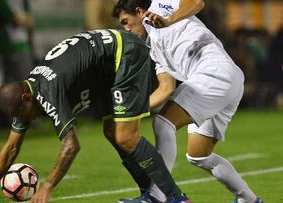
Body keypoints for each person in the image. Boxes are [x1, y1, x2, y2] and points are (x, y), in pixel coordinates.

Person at [0, 29, 190, 203]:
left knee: (125, 136)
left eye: (22, 113)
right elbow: (12, 147)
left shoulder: (47, 91)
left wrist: (48, 185)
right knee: (111, 132)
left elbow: (71, 145)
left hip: (124, 53)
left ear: (25, 97)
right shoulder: (28, 94)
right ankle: (152, 197)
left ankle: (176, 198)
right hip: (104, 69)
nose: (28, 119)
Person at [112, 0, 264, 202]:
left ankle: (157, 196)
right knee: (199, 155)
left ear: (139, 12)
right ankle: (249, 200)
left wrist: (169, 20)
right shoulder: (152, 47)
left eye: (126, 21)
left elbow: (197, 2)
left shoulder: (159, 5)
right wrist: (131, 111)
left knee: (163, 123)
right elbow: (166, 88)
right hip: (226, 80)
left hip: (214, 72)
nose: (126, 29)